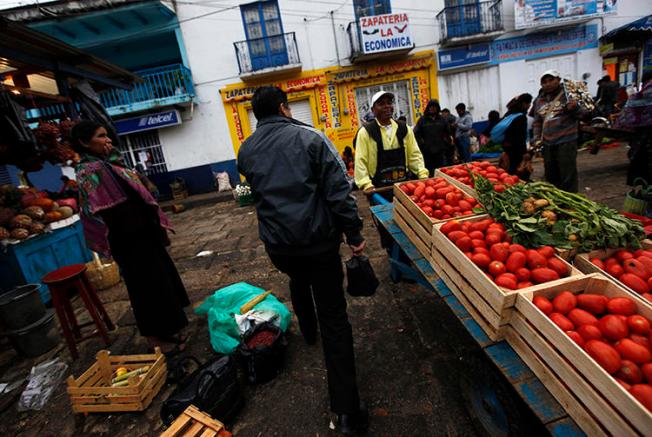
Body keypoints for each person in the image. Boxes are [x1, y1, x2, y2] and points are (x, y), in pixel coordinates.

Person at [237, 86, 368, 435]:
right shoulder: (311, 138)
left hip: (279, 247)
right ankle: (347, 412)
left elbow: (256, 193)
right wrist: (354, 235)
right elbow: (339, 191)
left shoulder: (245, 149)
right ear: (284, 108)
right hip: (318, 245)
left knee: (297, 279)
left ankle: (308, 332)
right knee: (335, 319)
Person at [72, 120, 189, 355]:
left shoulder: (107, 163)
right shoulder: (90, 171)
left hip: (142, 234)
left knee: (160, 282)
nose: (107, 140)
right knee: (144, 288)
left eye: (107, 136)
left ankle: (169, 328)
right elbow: (104, 208)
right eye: (100, 136)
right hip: (127, 239)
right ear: (84, 142)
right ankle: (155, 338)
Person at [354, 91, 428, 199]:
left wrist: (422, 174)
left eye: (389, 103)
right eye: (381, 104)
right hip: (378, 190)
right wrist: (366, 184)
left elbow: (414, 155)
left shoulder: (404, 128)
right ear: (373, 110)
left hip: (404, 187)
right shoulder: (366, 132)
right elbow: (361, 160)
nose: (387, 106)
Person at [531, 70, 589, 192]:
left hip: (566, 141)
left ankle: (571, 202)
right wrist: (536, 138)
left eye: (551, 80)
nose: (548, 84)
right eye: (544, 82)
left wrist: (574, 108)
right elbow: (537, 122)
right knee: (551, 175)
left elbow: (585, 115)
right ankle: (557, 200)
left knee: (567, 174)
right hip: (547, 143)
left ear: (558, 79)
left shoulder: (569, 95)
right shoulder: (538, 101)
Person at [615, 70, 652, 185]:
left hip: (644, 141)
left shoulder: (639, 97)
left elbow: (624, 120)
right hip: (644, 141)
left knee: (644, 178)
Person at [413, 99, 452, 175]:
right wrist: (422, 145)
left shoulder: (442, 119)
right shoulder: (422, 120)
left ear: (438, 108)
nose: (432, 108)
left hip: (440, 151)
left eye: (435, 107)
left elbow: (448, 133)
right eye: (431, 106)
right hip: (427, 152)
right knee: (429, 172)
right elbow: (416, 134)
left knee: (441, 172)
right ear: (428, 108)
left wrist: (447, 144)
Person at [502, 93, 533, 175]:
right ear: (524, 103)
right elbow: (520, 137)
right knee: (518, 170)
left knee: (510, 169)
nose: (530, 105)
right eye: (529, 103)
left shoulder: (509, 114)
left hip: (507, 146)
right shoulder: (521, 117)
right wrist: (524, 152)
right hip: (516, 149)